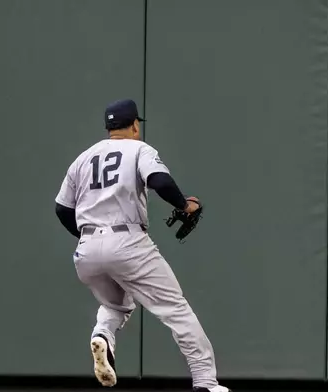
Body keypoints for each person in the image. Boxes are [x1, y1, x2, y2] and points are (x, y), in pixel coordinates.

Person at [54, 99, 229, 392]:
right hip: (126, 241)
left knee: (115, 304)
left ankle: (103, 336)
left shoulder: (82, 158)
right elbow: (160, 181)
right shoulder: (139, 149)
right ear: (135, 125)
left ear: (109, 127)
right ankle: (206, 382)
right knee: (176, 309)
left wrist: (89, 240)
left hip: (87, 249)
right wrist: (185, 205)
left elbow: (62, 209)